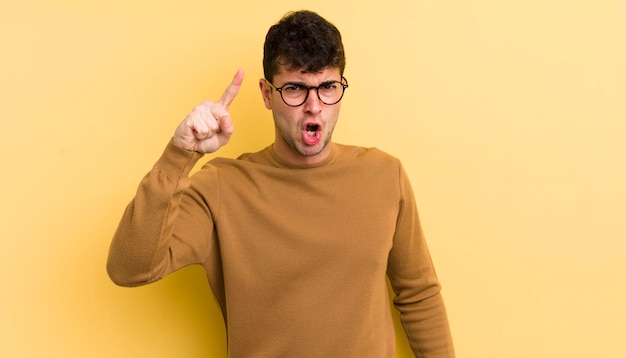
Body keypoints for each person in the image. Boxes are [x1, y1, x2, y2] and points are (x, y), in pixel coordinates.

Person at [107, 10, 455, 357]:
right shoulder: (221, 187)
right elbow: (130, 268)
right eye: (295, 89)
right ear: (266, 93)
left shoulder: (384, 175)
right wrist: (179, 154)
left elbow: (419, 296)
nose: (314, 106)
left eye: (328, 87)